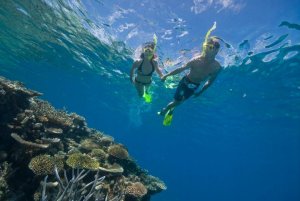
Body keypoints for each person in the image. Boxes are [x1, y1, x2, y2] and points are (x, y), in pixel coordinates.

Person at [159, 22, 222, 126]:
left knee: (180, 101)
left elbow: (210, 82)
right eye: (206, 47)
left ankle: (171, 108)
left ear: (216, 51)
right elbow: (181, 69)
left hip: (195, 87)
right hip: (185, 81)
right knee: (177, 100)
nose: (206, 49)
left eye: (210, 47)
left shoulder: (217, 67)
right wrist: (166, 75)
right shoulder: (196, 60)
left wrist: (201, 92)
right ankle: (166, 109)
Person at [130, 35, 163, 103]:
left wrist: (162, 76)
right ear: (143, 52)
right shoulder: (138, 62)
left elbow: (158, 70)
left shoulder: (154, 63)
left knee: (147, 91)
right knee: (141, 95)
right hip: (138, 83)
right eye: (146, 51)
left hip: (148, 82)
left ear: (153, 53)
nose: (147, 52)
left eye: (150, 51)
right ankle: (143, 96)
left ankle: (147, 93)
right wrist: (131, 79)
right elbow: (132, 70)